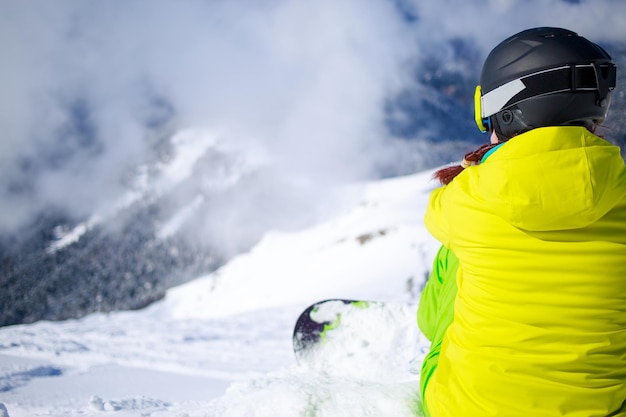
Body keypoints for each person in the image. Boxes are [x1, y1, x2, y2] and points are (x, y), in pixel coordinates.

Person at [417, 27, 626, 417]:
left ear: (506, 112)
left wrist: (480, 168)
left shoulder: (467, 200)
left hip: (463, 407)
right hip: (603, 410)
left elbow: (436, 213)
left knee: (460, 251)